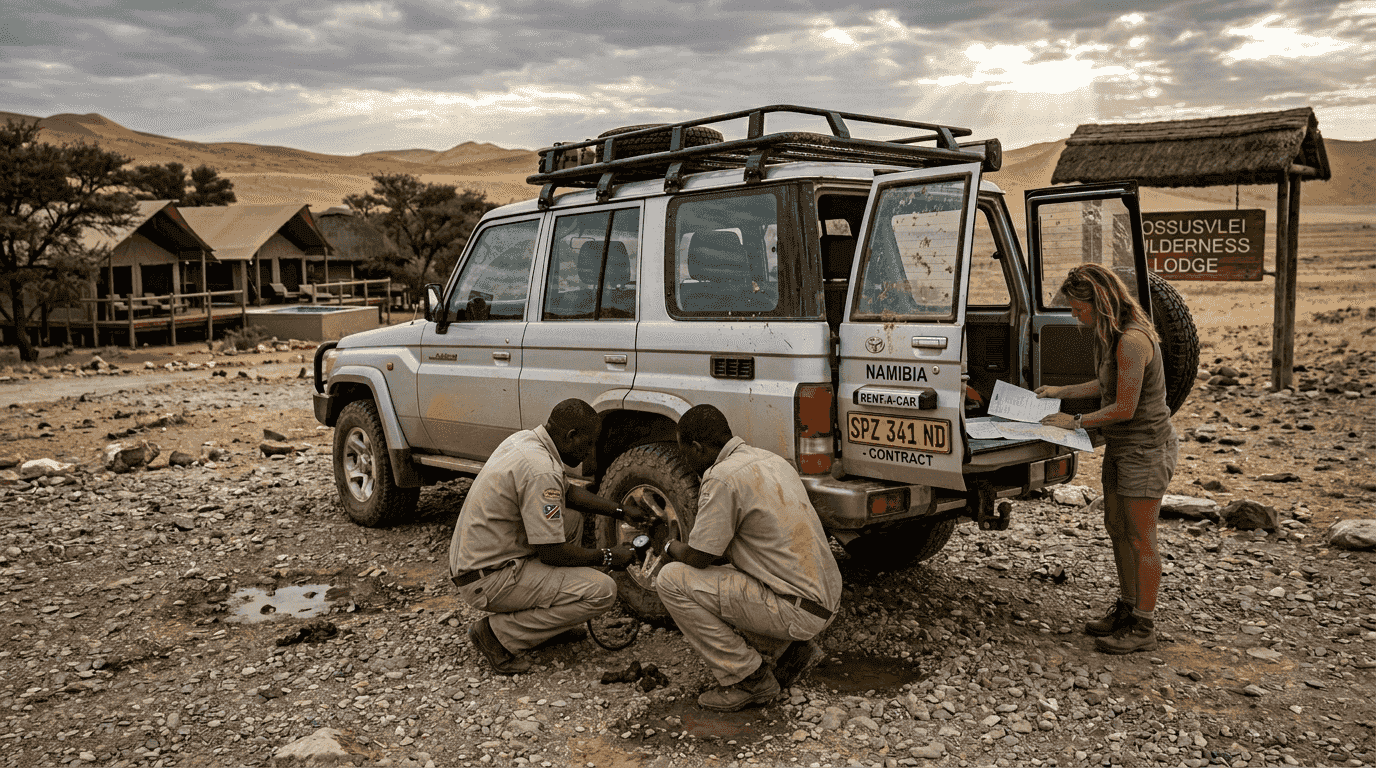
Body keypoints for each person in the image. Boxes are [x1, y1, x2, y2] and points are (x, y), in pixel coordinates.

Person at [655, 404, 843, 711]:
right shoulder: (771, 459)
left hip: (797, 610)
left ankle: (748, 679)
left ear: (697, 447)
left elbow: (700, 558)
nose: (685, 460)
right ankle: (791, 653)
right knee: (731, 571)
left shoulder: (722, 477)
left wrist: (666, 546)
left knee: (672, 580)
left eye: (684, 452)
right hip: (825, 601)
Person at [448, 398, 653, 675]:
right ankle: (498, 635)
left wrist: (620, 510)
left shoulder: (527, 441)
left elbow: (567, 493)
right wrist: (608, 556)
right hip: (488, 579)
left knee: (571, 517)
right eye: (589, 444)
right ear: (571, 436)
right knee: (603, 591)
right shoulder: (539, 469)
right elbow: (553, 553)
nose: (590, 454)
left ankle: (551, 623)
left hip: (482, 562)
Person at [1036, 263, 1178, 654]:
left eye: (1079, 309)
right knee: (1116, 526)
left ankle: (1144, 626)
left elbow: (1125, 406)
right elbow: (1106, 382)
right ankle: (1128, 608)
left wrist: (1074, 420)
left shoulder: (1133, 340)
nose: (1074, 316)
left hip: (1146, 448)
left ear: (1099, 302)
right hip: (1122, 445)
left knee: (1140, 536)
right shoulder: (1110, 334)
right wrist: (1059, 390)